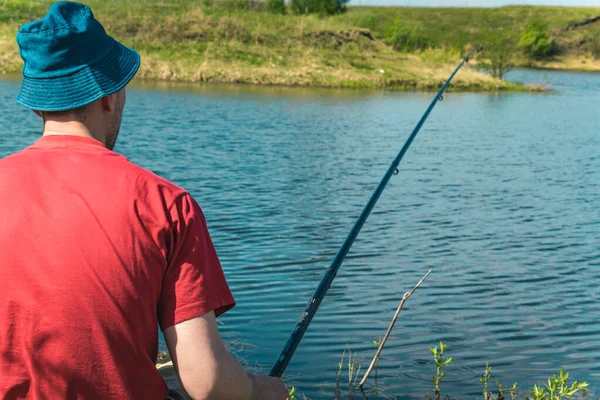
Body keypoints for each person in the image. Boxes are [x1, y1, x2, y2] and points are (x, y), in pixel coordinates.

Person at [0, 2, 289, 399]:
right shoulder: (166, 205)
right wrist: (262, 391)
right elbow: (206, 382)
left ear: (38, 103)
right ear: (107, 97)